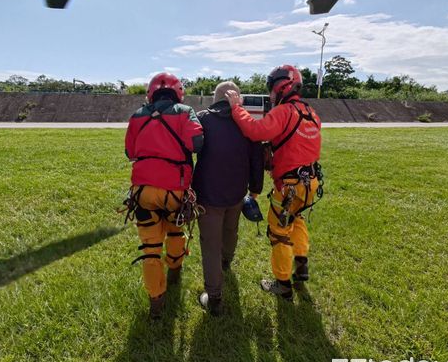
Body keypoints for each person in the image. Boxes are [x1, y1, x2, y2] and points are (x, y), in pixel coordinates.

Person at [225, 65, 322, 301]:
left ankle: (282, 284)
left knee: (279, 231)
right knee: (297, 221)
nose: (270, 96)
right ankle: (301, 272)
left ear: (280, 87)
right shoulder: (311, 112)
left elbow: (255, 131)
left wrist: (236, 108)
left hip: (289, 186)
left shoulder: (284, 112)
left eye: (271, 91)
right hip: (310, 183)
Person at [124, 72, 204, 319]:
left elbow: (129, 152)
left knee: (150, 249)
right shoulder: (184, 111)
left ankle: (156, 300)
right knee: (176, 230)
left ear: (151, 93)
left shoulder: (137, 116)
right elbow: (197, 143)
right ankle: (175, 268)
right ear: (177, 92)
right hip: (175, 189)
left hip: (143, 191)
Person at [192, 81, 264, 316]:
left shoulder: (203, 119)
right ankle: (226, 263)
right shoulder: (246, 122)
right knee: (231, 231)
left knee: (210, 245)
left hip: (207, 194)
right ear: (236, 99)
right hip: (236, 192)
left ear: (215, 98)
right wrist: (255, 189)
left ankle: (214, 297)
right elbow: (257, 158)